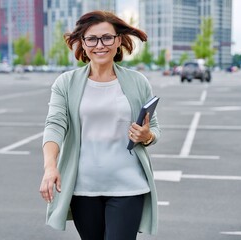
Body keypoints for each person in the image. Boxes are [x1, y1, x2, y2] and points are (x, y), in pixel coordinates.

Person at [39, 10, 161, 240]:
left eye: (107, 38)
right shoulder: (66, 83)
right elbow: (54, 125)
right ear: (83, 44)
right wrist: (50, 167)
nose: (100, 45)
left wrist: (147, 136)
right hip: (83, 187)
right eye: (91, 39)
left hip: (128, 185)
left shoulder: (138, 82)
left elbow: (153, 128)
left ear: (118, 42)